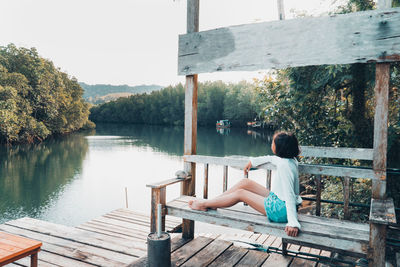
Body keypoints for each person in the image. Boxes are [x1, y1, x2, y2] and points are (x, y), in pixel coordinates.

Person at [188, 131, 302, 237]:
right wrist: (253, 162)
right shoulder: (289, 160)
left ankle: (204, 204)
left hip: (280, 210)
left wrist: (293, 223)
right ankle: (213, 203)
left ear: (280, 147)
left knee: (241, 193)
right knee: (245, 183)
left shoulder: (284, 167)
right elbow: (271, 159)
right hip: (278, 201)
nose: (271, 144)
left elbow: (289, 195)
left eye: (273, 142)